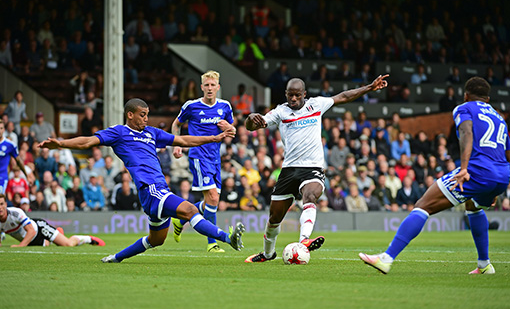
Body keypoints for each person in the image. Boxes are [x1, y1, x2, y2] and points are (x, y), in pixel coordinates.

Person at [39, 98, 244, 263]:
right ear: (130, 114)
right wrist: (61, 143)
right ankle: (228, 238)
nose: (146, 119)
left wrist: (214, 138)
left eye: (147, 115)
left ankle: (116, 258)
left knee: (157, 240)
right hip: (151, 188)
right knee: (190, 210)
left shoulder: (151, 133)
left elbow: (182, 140)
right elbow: (88, 141)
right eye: (142, 115)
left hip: (156, 191)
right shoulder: (118, 132)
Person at [360, 77, 510, 275]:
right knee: (473, 206)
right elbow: (505, 151)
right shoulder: (500, 117)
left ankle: (386, 259)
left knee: (423, 205)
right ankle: (484, 265)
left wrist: (464, 168)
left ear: (466, 95)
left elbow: (466, 132)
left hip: (477, 169)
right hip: (501, 173)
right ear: (488, 99)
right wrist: (497, 185)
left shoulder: (464, 108)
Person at [244, 74, 389, 262]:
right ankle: (268, 253)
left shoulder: (316, 105)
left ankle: (304, 240)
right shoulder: (280, 112)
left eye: (297, 95)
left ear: (304, 94)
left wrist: (369, 88)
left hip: (312, 167)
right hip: (289, 169)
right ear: (286, 94)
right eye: (290, 95)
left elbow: (343, 96)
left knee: (310, 196)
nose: (293, 99)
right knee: (274, 218)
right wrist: (250, 118)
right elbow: (252, 126)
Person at [171, 70, 237, 253]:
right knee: (214, 197)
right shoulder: (191, 106)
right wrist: (177, 144)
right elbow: (176, 124)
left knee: (210, 202)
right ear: (201, 87)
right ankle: (212, 243)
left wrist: (230, 127)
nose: (209, 88)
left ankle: (181, 219)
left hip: (215, 158)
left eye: (212, 85)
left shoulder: (225, 106)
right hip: (198, 156)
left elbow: (232, 131)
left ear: (218, 87)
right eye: (206, 85)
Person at [0, 194, 104, 247]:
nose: (0, 207)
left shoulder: (16, 213)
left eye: (1, 204)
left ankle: (89, 239)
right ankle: (58, 233)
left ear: (6, 204)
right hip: (31, 241)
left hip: (39, 229)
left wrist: (20, 246)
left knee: (68, 244)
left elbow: (31, 231)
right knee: (48, 245)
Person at [0, 120, 27, 195]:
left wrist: (26, 175)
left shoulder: (10, 145)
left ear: (4, 130)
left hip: (2, 178)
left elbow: (18, 161)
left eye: (1, 128)